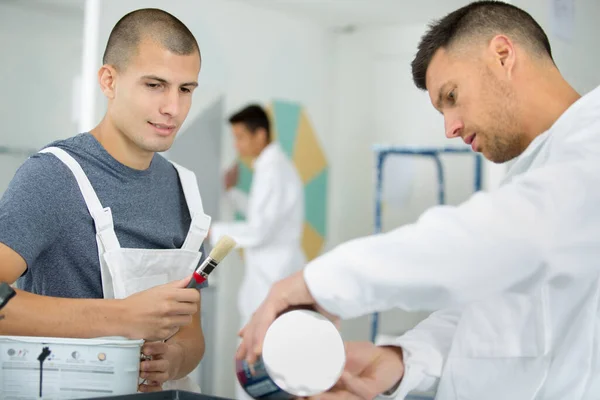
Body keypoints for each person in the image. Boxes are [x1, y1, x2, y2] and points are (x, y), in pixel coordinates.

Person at [237, 2, 600, 399]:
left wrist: (318, 282)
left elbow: (514, 236)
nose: (450, 128)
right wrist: (402, 361)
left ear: (502, 55)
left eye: (452, 96)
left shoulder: (590, 147)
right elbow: (491, 315)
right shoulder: (536, 171)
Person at [0, 8, 211, 393]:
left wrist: (176, 357)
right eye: (154, 85)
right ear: (109, 81)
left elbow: (191, 333)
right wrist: (123, 317)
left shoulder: (186, 192)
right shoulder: (52, 177)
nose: (173, 109)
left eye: (186, 90)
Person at [209, 104, 306, 399]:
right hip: (269, 277)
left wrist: (208, 230)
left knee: (259, 361)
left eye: (240, 137)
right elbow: (260, 216)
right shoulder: (272, 168)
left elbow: (259, 231)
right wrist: (230, 193)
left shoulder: (273, 170)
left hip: (272, 279)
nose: (237, 145)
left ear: (260, 134)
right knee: (260, 360)